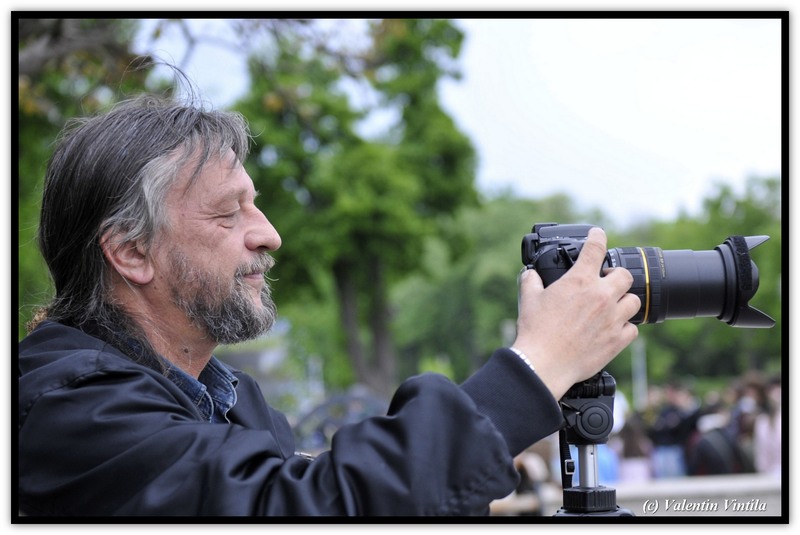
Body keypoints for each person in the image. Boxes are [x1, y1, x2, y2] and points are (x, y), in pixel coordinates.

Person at [17, 94, 640, 517]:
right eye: (227, 213)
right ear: (131, 253)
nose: (269, 234)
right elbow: (305, 509)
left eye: (254, 204)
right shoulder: (74, 413)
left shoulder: (230, 400)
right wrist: (536, 367)